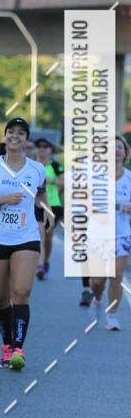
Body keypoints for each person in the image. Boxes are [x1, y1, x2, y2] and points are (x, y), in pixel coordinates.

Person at [0, 117, 53, 370]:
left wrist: (48, 212)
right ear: (5, 136)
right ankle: (7, 344)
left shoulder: (36, 169)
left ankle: (18, 349)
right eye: (11, 132)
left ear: (26, 139)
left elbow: (40, 194)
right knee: (1, 299)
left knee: (21, 293)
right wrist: (4, 199)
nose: (15, 136)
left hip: (26, 237)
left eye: (21, 133)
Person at [89, 136, 131, 331]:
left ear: (125, 152)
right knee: (97, 280)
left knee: (117, 276)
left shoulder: (129, 178)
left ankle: (112, 316)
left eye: (120, 147)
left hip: (121, 235)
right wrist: (116, 206)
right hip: (98, 235)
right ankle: (97, 299)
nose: (116, 151)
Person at [34, 138, 64, 280]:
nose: (42, 149)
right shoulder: (32, 165)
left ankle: (45, 262)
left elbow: (65, 183)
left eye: (45, 146)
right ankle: (39, 266)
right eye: (39, 146)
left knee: (48, 239)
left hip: (53, 205)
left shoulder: (55, 166)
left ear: (50, 150)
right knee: (40, 234)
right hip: (36, 205)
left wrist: (52, 181)